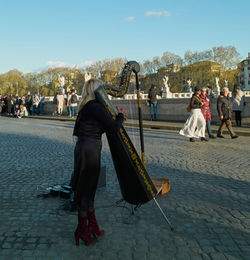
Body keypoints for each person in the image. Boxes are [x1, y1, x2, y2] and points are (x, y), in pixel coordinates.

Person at [71, 79, 125, 246]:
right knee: (86, 192)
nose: (105, 92)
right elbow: (113, 129)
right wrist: (121, 116)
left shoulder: (86, 107)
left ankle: (92, 227)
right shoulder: (95, 106)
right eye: (103, 89)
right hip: (90, 150)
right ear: (97, 91)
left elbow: (94, 128)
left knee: (89, 190)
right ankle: (82, 230)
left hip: (84, 148)